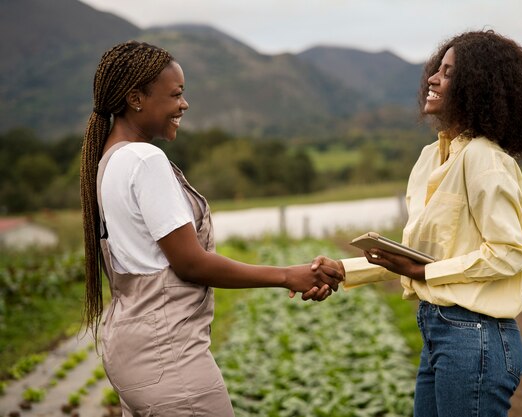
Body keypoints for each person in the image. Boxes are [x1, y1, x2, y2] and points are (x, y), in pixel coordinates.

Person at [80, 40, 343, 417]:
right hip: (167, 358)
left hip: (130, 351)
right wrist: (288, 275)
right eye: (176, 94)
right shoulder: (145, 159)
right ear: (135, 98)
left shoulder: (109, 160)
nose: (183, 105)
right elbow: (191, 264)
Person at [313, 30, 522, 416]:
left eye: (449, 73)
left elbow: (510, 253)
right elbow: (421, 258)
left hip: (476, 338)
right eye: (437, 69)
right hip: (440, 332)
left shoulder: (484, 159)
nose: (433, 79)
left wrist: (426, 270)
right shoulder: (429, 159)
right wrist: (344, 270)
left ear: (479, 88)